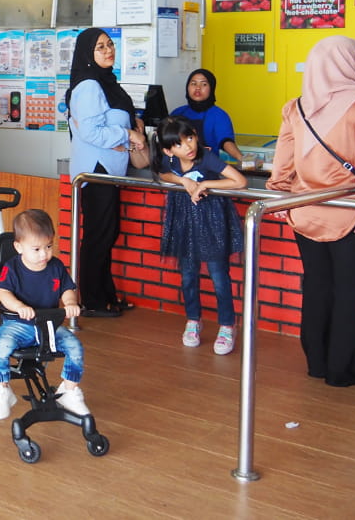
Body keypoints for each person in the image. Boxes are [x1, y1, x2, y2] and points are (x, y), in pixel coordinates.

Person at [268, 36, 355, 387]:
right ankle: (343, 370)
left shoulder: (295, 107)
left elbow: (282, 165)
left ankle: (317, 363)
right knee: (349, 291)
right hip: (352, 212)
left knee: (317, 286)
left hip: (305, 212)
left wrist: (279, 194)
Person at [65, 27, 147, 317]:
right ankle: (93, 301)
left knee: (106, 233)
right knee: (99, 236)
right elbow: (91, 132)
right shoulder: (88, 84)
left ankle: (105, 295)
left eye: (110, 44)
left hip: (108, 170)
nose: (108, 50)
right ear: (88, 53)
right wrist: (127, 134)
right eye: (100, 47)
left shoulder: (106, 82)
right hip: (95, 171)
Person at [154, 116, 246, 355]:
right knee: (187, 276)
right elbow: (162, 173)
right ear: (168, 150)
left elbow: (240, 181)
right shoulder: (169, 160)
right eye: (180, 143)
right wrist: (181, 180)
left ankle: (227, 325)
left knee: (219, 277)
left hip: (212, 221)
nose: (189, 146)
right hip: (184, 223)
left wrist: (206, 185)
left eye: (190, 138)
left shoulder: (206, 158)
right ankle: (193, 319)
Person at [0, 208, 88, 421]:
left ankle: (69, 391)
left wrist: (70, 302)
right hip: (18, 325)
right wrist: (18, 306)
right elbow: (4, 293)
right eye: (37, 249)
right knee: (0, 345)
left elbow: (68, 289)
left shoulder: (56, 266)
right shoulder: (12, 267)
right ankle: (1, 389)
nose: (44, 254)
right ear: (18, 247)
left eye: (49, 246)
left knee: (75, 346)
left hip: (48, 326)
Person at [170, 69, 245, 163]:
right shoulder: (178, 113)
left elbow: (226, 141)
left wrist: (242, 159)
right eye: (193, 83)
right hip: (178, 167)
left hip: (208, 167)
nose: (198, 88)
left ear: (211, 89)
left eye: (204, 84)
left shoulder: (218, 115)